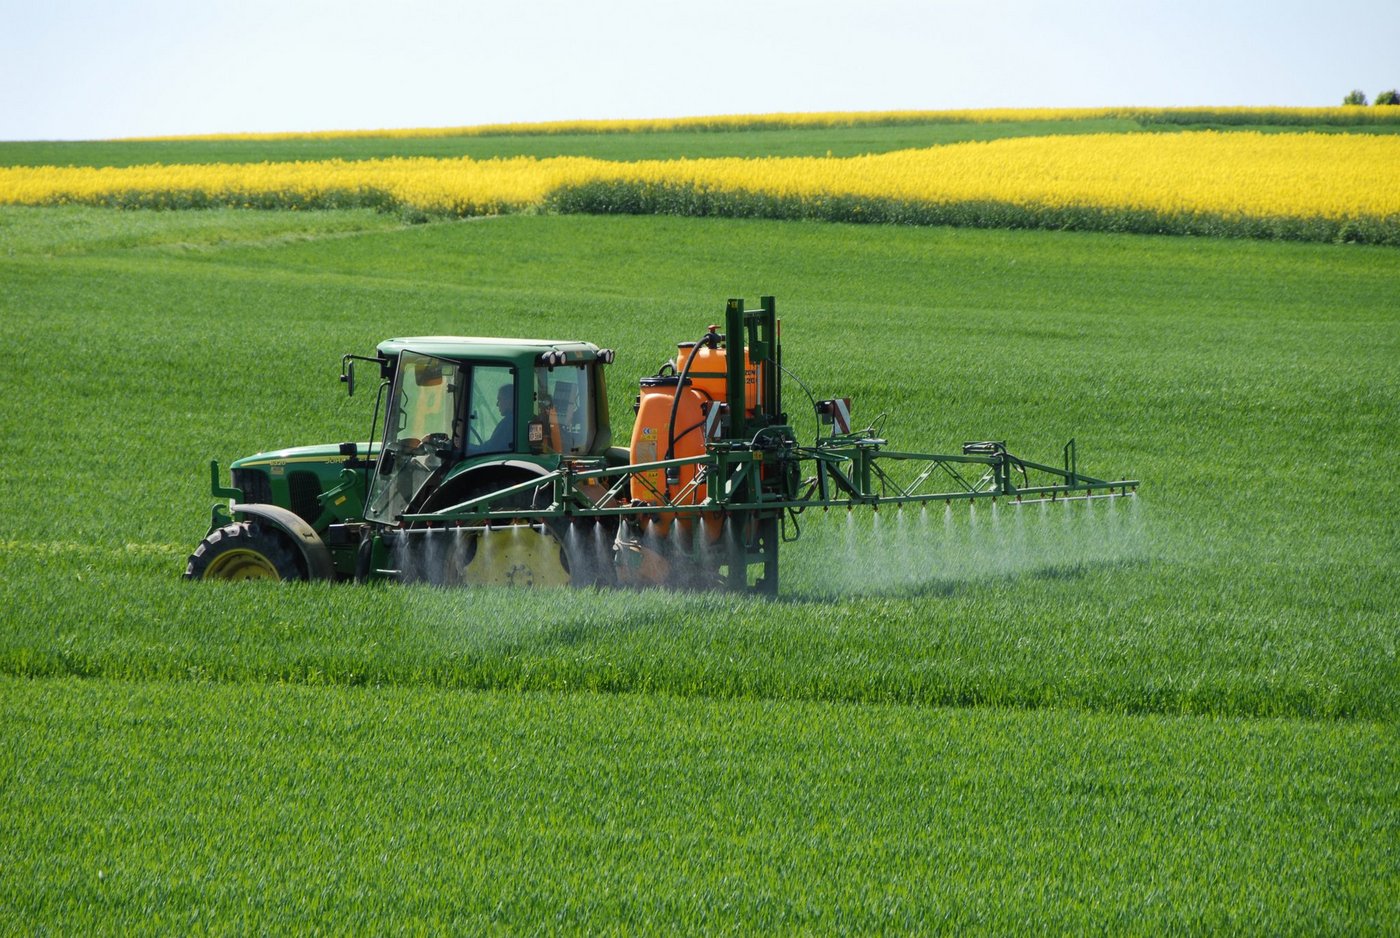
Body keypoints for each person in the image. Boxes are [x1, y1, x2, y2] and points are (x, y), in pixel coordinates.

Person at [480, 382, 515, 453]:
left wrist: (465, 446)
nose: (497, 404)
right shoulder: (514, 421)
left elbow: (489, 449)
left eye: (499, 399)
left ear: (509, 400)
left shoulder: (509, 423)